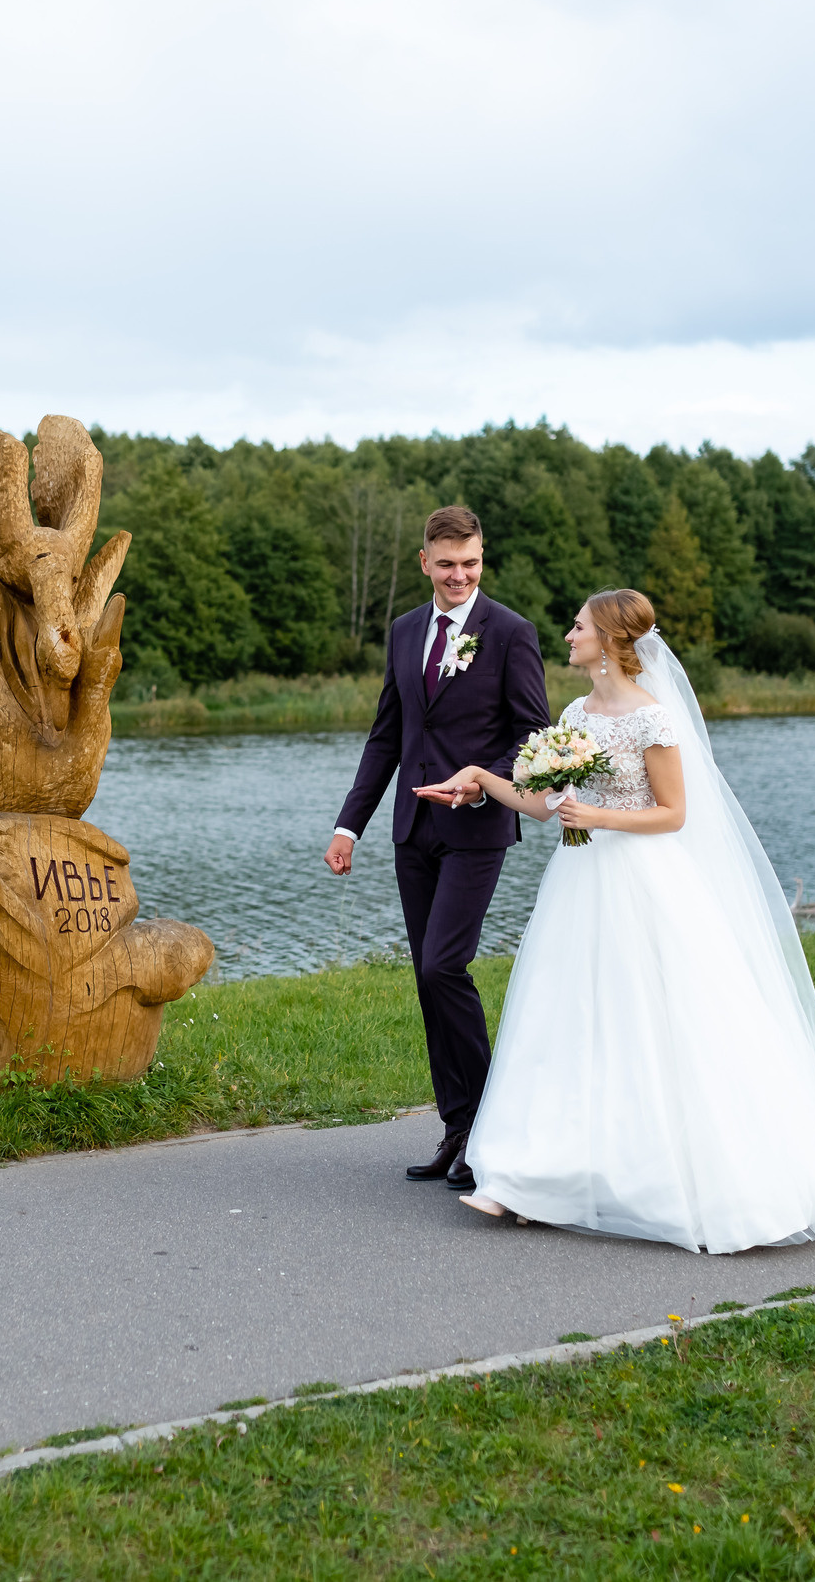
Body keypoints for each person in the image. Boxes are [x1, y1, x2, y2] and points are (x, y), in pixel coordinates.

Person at [413, 589, 815, 1252]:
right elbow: (543, 806)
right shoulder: (574, 712)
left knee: (653, 1023)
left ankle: (670, 1178)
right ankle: (527, 1178)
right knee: (564, 1021)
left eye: (578, 626)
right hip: (578, 882)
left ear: (607, 638)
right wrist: (481, 777)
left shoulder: (652, 718)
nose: (567, 635)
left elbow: (673, 811)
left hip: (641, 882)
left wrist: (599, 817)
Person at [326, 505, 554, 1192]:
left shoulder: (510, 633)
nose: (460, 575)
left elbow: (534, 737)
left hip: (478, 827)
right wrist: (348, 825)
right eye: (448, 563)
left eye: (472, 563)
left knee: (443, 964)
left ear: (483, 561)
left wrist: (484, 786)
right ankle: (458, 1128)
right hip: (412, 832)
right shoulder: (402, 632)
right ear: (424, 562)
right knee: (428, 981)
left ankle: (489, 1127)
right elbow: (386, 736)